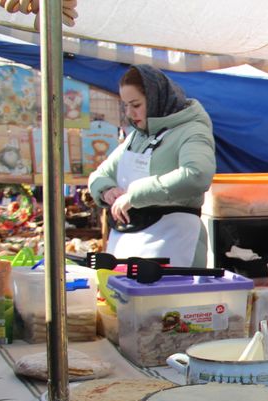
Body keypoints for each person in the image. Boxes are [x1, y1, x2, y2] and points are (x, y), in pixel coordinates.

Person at [88, 65, 215, 267]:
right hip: (129, 241)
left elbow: (196, 175)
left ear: (156, 98)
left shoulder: (192, 131)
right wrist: (106, 190)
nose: (130, 113)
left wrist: (134, 195)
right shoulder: (136, 137)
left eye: (136, 105)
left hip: (174, 241)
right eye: (126, 106)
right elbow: (100, 174)